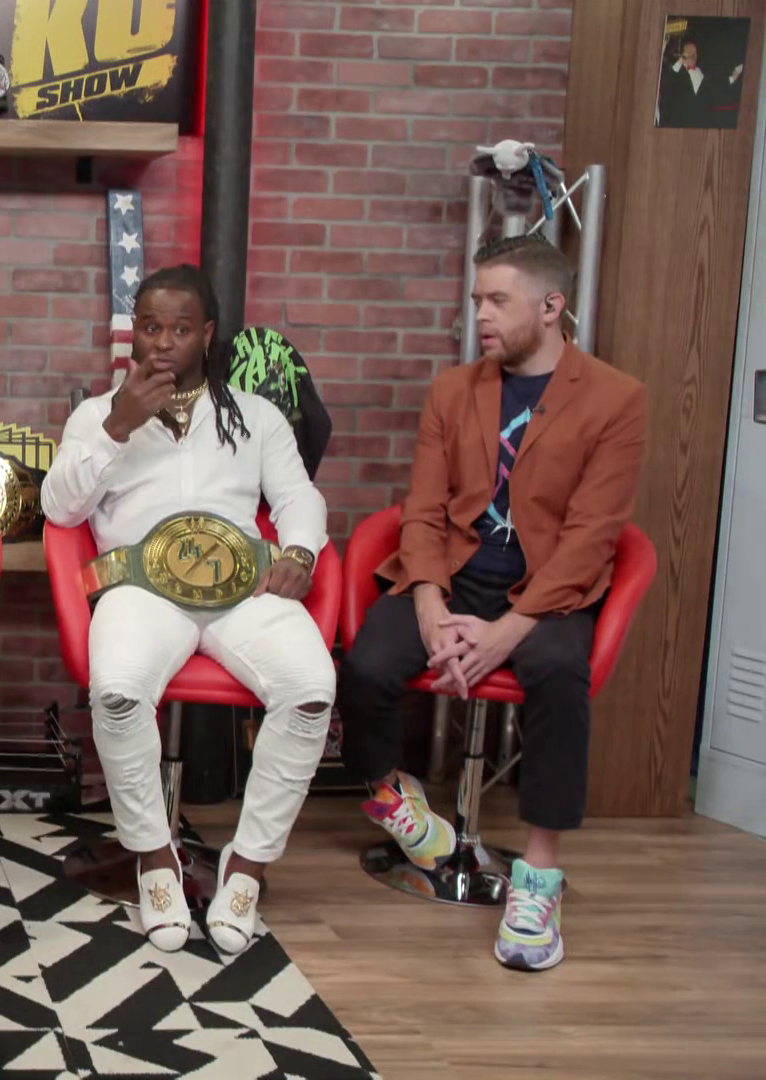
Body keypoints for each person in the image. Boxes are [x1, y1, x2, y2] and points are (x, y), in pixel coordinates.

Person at [338, 236, 647, 972]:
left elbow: (592, 537)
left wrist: (509, 630)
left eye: (498, 301)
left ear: (551, 306)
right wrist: (428, 605)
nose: (480, 314)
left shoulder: (616, 400)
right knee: (367, 663)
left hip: (548, 591)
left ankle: (538, 878)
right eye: (478, 299)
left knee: (559, 674)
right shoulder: (454, 390)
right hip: (454, 575)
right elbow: (422, 509)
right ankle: (393, 794)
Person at [40, 264, 331, 957]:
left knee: (312, 689)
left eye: (179, 329)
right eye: (150, 327)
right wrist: (118, 426)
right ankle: (155, 859)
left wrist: (300, 551)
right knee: (116, 691)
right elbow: (59, 509)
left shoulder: (254, 416)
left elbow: (298, 497)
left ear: (207, 334)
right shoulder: (97, 414)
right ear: (132, 334)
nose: (163, 342)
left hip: (242, 591)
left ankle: (246, 868)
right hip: (140, 589)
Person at [659, 39, 745, 128]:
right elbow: (669, 77)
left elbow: (714, 85)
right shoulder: (677, 72)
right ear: (683, 55)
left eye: (694, 53)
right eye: (690, 53)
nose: (693, 56)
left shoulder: (700, 71)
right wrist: (680, 61)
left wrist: (733, 78)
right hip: (679, 123)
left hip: (699, 122)